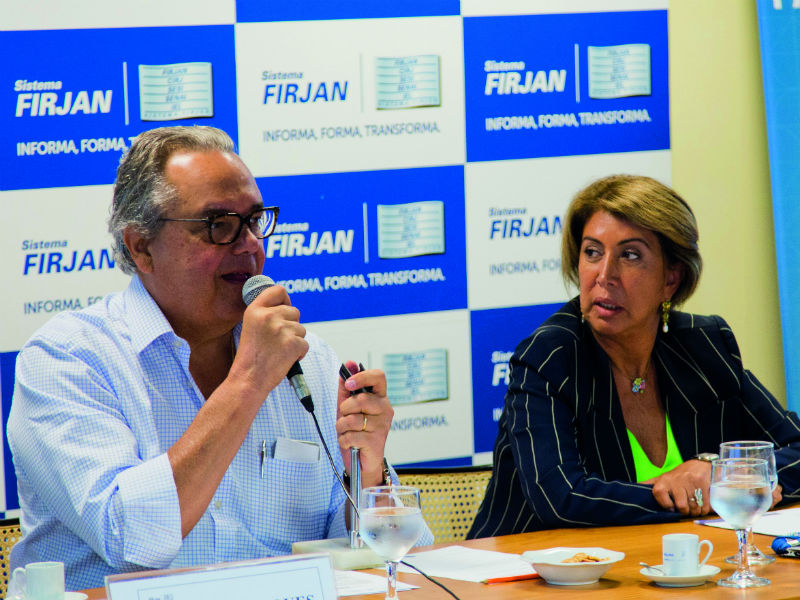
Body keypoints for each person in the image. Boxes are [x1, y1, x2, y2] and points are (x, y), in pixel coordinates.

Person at [8, 125, 432, 590]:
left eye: (254, 221)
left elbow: (389, 557)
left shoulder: (308, 361)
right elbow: (132, 538)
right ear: (141, 247)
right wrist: (248, 382)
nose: (249, 244)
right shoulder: (69, 360)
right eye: (219, 225)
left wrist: (366, 474)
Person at [468, 174, 800, 538]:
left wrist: (718, 472)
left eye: (630, 255)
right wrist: (704, 492)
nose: (604, 275)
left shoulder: (706, 346)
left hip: (669, 562)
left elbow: (794, 447)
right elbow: (561, 497)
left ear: (671, 279)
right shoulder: (550, 357)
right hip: (525, 566)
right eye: (592, 252)